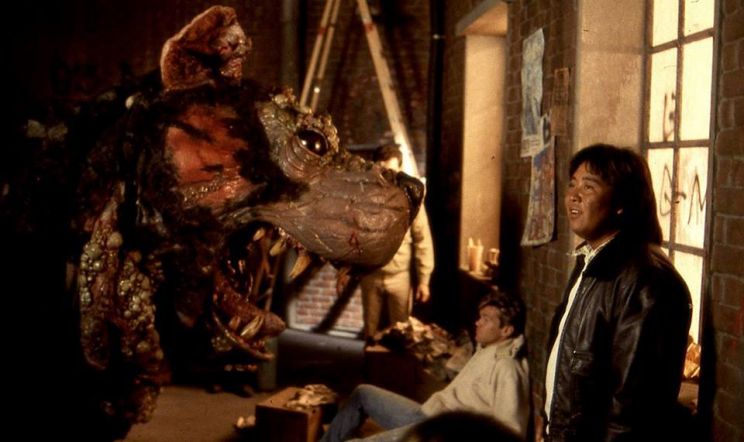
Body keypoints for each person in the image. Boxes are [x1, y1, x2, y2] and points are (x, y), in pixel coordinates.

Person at [543, 144, 692, 441]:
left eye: (589, 186)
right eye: (572, 184)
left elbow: (633, 406)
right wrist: (546, 419)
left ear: (621, 202)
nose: (573, 195)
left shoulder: (646, 279)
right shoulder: (593, 260)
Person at [320, 289, 530, 442]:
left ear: (506, 330)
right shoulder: (487, 347)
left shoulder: (507, 368)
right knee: (363, 393)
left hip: (442, 433)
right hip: (429, 415)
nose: (478, 322)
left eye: (486, 319)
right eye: (480, 317)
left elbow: (512, 431)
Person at [360, 144, 434, 339]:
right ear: (374, 167)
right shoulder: (362, 199)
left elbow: (422, 240)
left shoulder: (411, 200)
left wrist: (424, 280)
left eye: (392, 171)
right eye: (382, 169)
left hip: (399, 277)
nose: (387, 176)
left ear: (400, 170)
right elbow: (352, 237)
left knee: (401, 332)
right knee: (370, 333)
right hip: (370, 276)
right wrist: (344, 271)